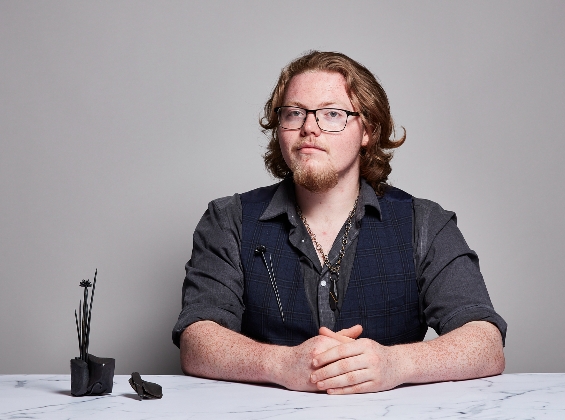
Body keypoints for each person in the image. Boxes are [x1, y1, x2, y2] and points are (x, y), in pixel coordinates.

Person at [172, 51, 507, 395]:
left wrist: (395, 364)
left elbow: (484, 341)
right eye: (294, 113)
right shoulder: (229, 219)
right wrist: (281, 364)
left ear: (368, 131)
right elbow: (197, 339)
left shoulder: (424, 223)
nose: (309, 128)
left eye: (332, 114)